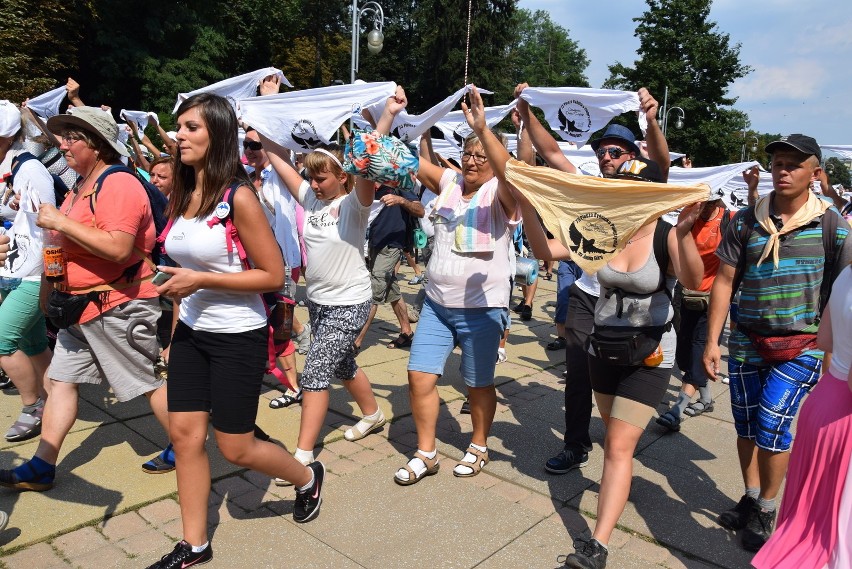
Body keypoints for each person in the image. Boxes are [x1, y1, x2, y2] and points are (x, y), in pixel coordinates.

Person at [145, 93, 324, 569]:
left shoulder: (238, 196)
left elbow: (273, 274)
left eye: (190, 128)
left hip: (238, 334)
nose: (178, 135)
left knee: (236, 445)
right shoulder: (182, 194)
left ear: (217, 135)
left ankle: (306, 477)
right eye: (178, 127)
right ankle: (194, 545)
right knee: (185, 437)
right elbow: (182, 262)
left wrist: (201, 279)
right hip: (191, 333)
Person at [0, 105, 169, 491]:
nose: (63, 144)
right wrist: (49, 288)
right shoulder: (80, 186)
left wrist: (59, 221)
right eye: (63, 137)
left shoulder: (118, 183)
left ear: (97, 144)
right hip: (81, 307)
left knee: (147, 382)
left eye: (73, 137)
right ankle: (42, 466)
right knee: (60, 383)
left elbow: (118, 248)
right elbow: (61, 246)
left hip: (117, 305)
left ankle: (187, 444)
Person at [703, 134, 852, 553]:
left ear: (815, 174)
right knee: (746, 426)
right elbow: (725, 281)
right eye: (778, 163)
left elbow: (845, 292)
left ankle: (769, 509)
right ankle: (751, 497)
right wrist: (712, 341)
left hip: (800, 346)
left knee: (771, 425)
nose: (783, 170)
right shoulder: (747, 220)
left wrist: (835, 357)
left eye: (794, 164)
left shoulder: (831, 225)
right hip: (747, 341)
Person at [515, 82, 671, 476]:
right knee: (578, 373)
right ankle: (576, 445)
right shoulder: (589, 185)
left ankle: (621, 439)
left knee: (621, 370)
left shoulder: (644, 187)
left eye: (615, 151)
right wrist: (528, 109)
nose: (605, 157)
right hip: (587, 294)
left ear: (633, 157)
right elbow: (550, 152)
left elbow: (663, 166)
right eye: (601, 151)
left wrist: (651, 121)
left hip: (632, 301)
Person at [393, 85, 519, 485]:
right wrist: (392, 120)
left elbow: (510, 173)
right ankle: (426, 453)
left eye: (481, 155)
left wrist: (483, 130)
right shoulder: (449, 181)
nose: (472, 160)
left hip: (482, 306)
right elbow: (412, 161)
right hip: (436, 303)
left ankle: (479, 444)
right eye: (468, 153)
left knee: (477, 383)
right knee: (419, 377)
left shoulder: (501, 192)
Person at [257, 100, 387, 463]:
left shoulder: (354, 205)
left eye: (321, 177)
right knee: (343, 363)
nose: (313, 184)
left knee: (315, 371)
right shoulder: (311, 202)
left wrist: (385, 116)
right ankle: (373, 414)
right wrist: (261, 116)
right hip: (319, 301)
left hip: (350, 302)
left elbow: (371, 161)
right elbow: (280, 161)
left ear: (342, 177)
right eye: (310, 177)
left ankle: (303, 455)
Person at [751, 263, 852, 568]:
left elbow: (825, 341)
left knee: (805, 521)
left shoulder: (847, 273)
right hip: (844, 419)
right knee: (829, 535)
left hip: (824, 406)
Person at [0, 101, 54, 443]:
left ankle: (33, 406)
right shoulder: (10, 166)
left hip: (33, 275)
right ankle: (57, 399)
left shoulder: (31, 169)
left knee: (3, 341)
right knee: (33, 343)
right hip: (11, 268)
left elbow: (52, 227)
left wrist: (52, 280)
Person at [656, 194, 733, 431]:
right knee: (683, 350)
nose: (707, 206)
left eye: (713, 201)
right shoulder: (687, 215)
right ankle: (707, 399)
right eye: (703, 200)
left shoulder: (729, 220)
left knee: (701, 347)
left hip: (714, 297)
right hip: (686, 291)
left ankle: (677, 409)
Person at [354, 181, 424, 350]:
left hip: (392, 245)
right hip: (374, 244)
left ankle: (356, 341)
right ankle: (406, 332)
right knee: (391, 288)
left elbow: (420, 210)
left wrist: (400, 200)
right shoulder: (367, 188)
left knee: (374, 291)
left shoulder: (398, 185)